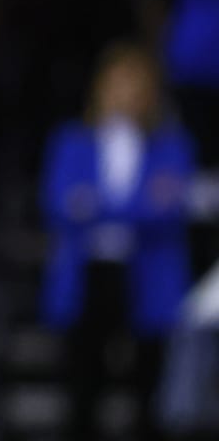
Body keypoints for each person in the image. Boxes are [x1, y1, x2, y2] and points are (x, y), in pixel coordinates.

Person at [41, 43, 195, 441]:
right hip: (88, 276)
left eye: (135, 83)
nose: (125, 93)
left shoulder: (172, 144)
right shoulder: (72, 140)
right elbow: (58, 202)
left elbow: (170, 208)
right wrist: (136, 206)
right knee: (82, 388)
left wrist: (97, 206)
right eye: (117, 82)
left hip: (147, 277)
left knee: (149, 393)